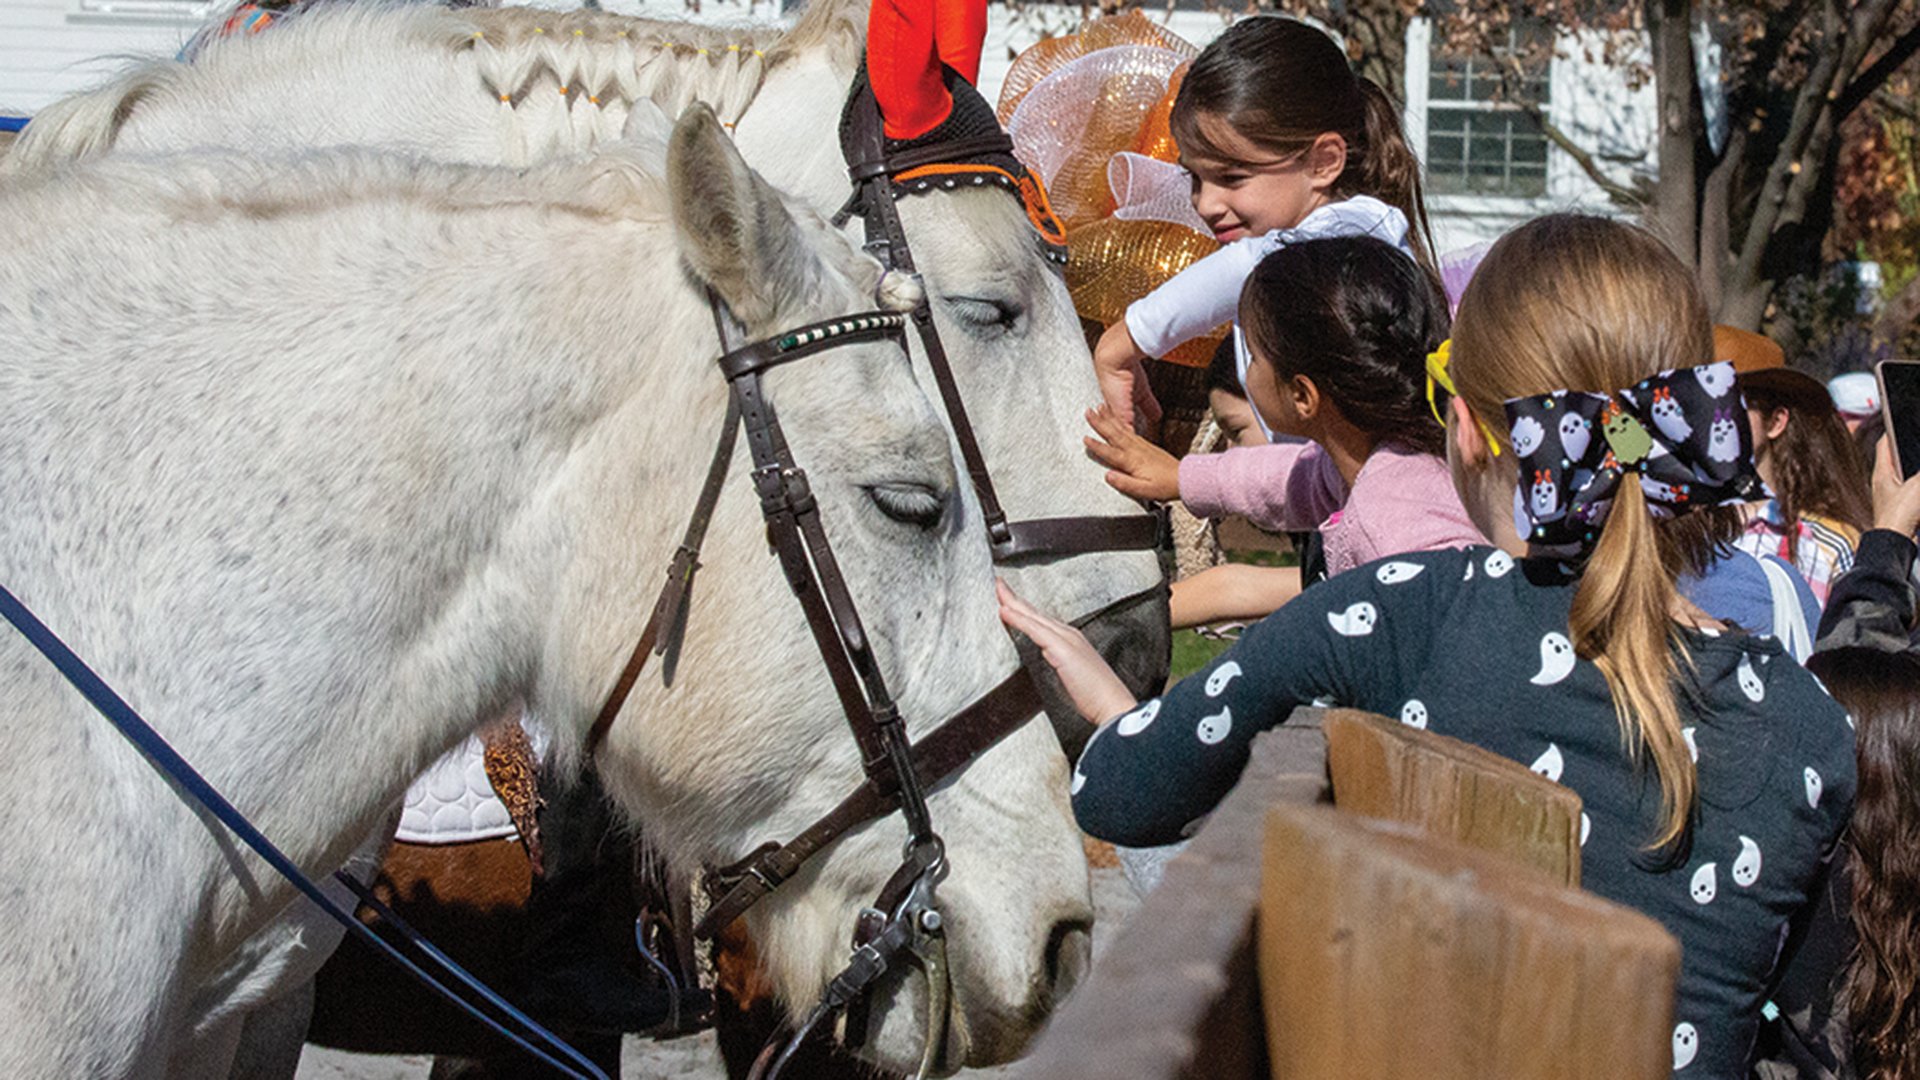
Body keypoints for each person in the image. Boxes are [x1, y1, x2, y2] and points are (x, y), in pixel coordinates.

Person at [1002, 214, 1855, 1079]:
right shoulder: (1811, 724)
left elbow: (1121, 794)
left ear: (1470, 429)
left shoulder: (1412, 609)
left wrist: (1117, 711)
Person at [1087, 236, 1481, 623]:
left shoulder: (1393, 521)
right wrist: (1181, 477)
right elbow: (1288, 478)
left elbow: (1456, 626)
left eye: (1254, 357)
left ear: (1302, 395)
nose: (1248, 370)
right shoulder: (1378, 459)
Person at [1088, 15, 1435, 433]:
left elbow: (1252, 264)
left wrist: (1123, 343)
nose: (1206, 203)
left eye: (1233, 178)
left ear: (1323, 162)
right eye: (1195, 178)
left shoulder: (1354, 237)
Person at [1718, 327, 1871, 607]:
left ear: (1776, 422)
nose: (1715, 421)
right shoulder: (1665, 529)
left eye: (1731, 404)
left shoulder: (1829, 545)